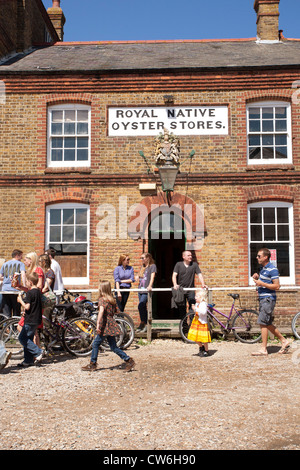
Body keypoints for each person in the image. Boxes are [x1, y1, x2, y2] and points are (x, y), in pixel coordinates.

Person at [82, 280, 135, 372]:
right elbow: (117, 311)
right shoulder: (112, 300)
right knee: (113, 347)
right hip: (111, 324)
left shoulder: (102, 300)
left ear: (101, 289)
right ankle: (128, 360)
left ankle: (92, 364)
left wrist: (98, 324)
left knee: (95, 343)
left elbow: (101, 312)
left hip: (105, 325)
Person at [251, 248, 291, 356]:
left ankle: (263, 349)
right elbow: (266, 281)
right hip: (264, 299)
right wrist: (258, 277)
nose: (257, 257)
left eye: (259, 256)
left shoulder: (273, 269)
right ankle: (284, 341)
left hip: (268, 299)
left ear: (265, 257)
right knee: (267, 323)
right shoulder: (263, 269)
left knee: (263, 323)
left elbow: (277, 286)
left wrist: (261, 283)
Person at [17, 272, 44, 367]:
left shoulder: (29, 293)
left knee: (22, 338)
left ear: (31, 282)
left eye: (27, 282)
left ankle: (38, 352)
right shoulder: (38, 292)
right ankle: (28, 360)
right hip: (36, 319)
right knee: (28, 339)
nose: (26, 284)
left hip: (30, 319)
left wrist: (21, 301)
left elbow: (27, 306)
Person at [172, 251, 207, 318]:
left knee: (192, 306)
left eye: (191, 255)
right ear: (183, 257)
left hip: (190, 290)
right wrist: (175, 284)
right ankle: (184, 326)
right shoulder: (178, 264)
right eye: (188, 255)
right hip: (181, 290)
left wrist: (203, 284)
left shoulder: (194, 265)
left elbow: (199, 274)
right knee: (182, 308)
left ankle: (191, 325)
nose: (190, 257)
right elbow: (174, 275)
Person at [0, 249, 26, 317]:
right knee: (16, 312)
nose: (22, 258)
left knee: (6, 312)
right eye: (21, 256)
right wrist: (24, 286)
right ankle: (14, 327)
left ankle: (7, 327)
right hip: (15, 290)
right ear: (17, 255)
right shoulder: (20, 264)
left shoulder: (5, 264)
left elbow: (0, 276)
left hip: (5, 290)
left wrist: (7, 279)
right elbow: (23, 274)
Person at [135, 253, 157, 333]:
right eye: (141, 258)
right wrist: (137, 277)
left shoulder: (152, 266)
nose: (141, 259)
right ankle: (143, 323)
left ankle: (145, 323)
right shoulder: (143, 267)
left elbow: (152, 277)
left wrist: (150, 285)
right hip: (140, 289)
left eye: (143, 258)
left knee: (141, 305)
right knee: (142, 306)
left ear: (148, 258)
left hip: (146, 290)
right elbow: (139, 275)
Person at [188, 289, 211, 357]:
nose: (195, 297)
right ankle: (201, 347)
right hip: (196, 322)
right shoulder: (197, 303)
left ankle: (206, 351)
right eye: (195, 296)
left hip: (202, 323)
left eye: (197, 296)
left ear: (201, 297)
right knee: (195, 337)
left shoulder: (203, 304)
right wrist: (195, 309)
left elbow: (203, 312)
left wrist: (195, 309)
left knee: (204, 339)